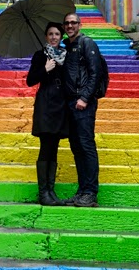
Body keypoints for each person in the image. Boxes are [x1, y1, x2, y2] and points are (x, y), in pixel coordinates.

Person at [26, 22, 69, 206]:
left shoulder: (66, 56)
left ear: (61, 37)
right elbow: (30, 80)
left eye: (57, 34)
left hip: (61, 103)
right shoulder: (40, 55)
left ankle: (51, 192)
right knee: (46, 146)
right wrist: (45, 69)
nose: (53, 37)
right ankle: (43, 193)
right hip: (45, 102)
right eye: (50, 34)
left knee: (55, 147)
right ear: (46, 36)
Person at [61, 12, 101, 207]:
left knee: (86, 146)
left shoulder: (87, 43)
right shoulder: (68, 48)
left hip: (83, 103)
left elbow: (96, 73)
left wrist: (84, 97)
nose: (70, 26)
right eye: (67, 23)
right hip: (70, 104)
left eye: (73, 23)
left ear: (80, 24)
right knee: (76, 148)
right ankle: (82, 190)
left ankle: (91, 192)